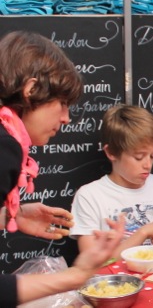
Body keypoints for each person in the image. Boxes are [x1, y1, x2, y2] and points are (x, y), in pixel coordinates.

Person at [0, 31, 125, 307]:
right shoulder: (5, 147)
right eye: (63, 104)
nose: (67, 119)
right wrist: (75, 276)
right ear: (31, 89)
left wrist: (14, 214)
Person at [70, 104, 153, 258]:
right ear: (111, 153)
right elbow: (90, 265)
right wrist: (145, 232)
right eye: (139, 157)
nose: (147, 164)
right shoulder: (89, 196)